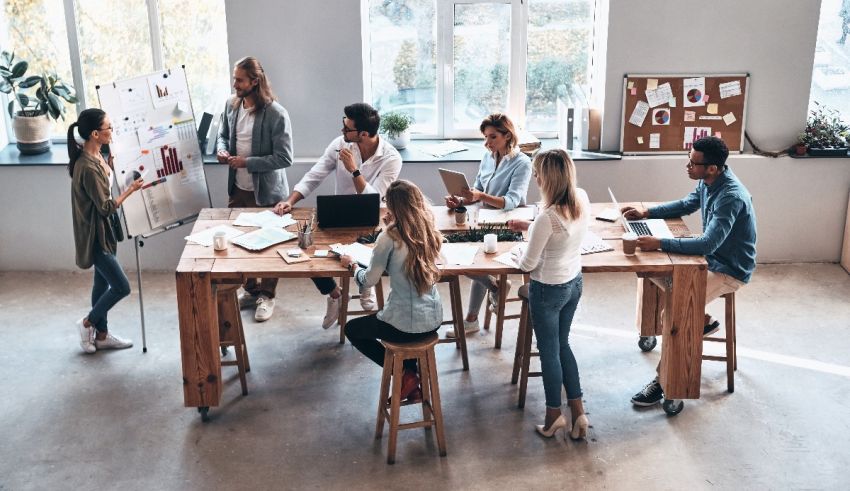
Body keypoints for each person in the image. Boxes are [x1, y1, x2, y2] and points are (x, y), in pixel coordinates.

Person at [623, 136, 757, 407]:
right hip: (710, 257)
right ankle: (701, 320)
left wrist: (660, 242)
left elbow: (708, 243)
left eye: (693, 163)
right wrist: (646, 212)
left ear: (712, 168)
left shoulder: (730, 197)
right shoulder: (708, 181)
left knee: (675, 313)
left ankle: (666, 385)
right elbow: (686, 204)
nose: (688, 166)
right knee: (651, 271)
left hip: (729, 268)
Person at [275, 103, 402, 329]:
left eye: (347, 128)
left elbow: (376, 200)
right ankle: (334, 294)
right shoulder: (340, 144)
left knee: (372, 248)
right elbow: (315, 174)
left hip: (373, 219)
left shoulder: (391, 158)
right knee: (307, 254)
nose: (342, 131)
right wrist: (290, 200)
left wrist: (354, 170)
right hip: (338, 217)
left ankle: (366, 282)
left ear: (363, 133)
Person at [506, 149, 590, 440]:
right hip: (573, 283)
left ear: (547, 178)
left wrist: (520, 249)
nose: (535, 178)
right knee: (563, 345)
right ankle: (578, 412)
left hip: (548, 290)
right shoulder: (581, 197)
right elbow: (560, 233)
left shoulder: (546, 218)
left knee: (549, 352)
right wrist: (531, 229)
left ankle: (554, 414)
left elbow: (528, 264)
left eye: (537, 173)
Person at [342, 180, 443, 402]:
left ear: (393, 207)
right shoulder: (429, 229)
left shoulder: (388, 238)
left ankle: (405, 374)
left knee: (352, 329)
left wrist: (352, 266)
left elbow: (369, 280)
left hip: (405, 325)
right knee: (402, 329)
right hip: (433, 320)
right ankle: (413, 387)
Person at [216, 56, 294, 322]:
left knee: (270, 247)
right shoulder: (231, 104)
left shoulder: (276, 114)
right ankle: (250, 289)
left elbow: (284, 158)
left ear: (254, 81)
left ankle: (267, 296)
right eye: (234, 77)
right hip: (237, 189)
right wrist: (222, 149)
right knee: (238, 242)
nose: (234, 83)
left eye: (239, 79)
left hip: (268, 194)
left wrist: (247, 162)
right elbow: (223, 135)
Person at [444, 113, 531, 339]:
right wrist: (461, 200)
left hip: (508, 226)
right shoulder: (488, 157)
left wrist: (481, 195)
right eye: (485, 137)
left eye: (492, 137)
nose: (487, 142)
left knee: (472, 263)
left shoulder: (522, 163)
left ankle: (472, 319)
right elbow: (476, 191)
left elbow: (511, 201)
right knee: (458, 256)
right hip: (483, 221)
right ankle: (495, 288)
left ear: (507, 135)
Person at [69, 108, 144, 354]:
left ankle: (101, 335)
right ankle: (87, 323)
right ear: (95, 134)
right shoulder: (87, 167)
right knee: (122, 287)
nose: (112, 131)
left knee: (100, 285)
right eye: (108, 128)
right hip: (96, 236)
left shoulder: (98, 155)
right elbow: (104, 207)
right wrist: (131, 190)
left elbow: (104, 182)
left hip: (105, 232)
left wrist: (110, 166)